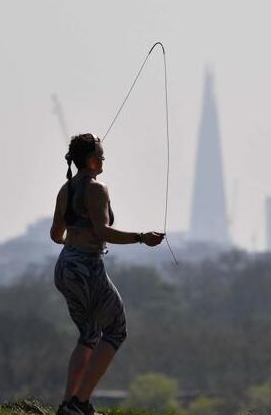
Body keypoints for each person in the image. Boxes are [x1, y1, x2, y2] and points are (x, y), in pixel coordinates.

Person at [51, 133, 164, 415]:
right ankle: (80, 402)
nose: (103, 160)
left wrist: (76, 242)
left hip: (65, 267)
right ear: (90, 160)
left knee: (88, 334)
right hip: (87, 268)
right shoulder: (97, 189)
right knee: (116, 329)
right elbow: (102, 231)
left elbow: (56, 235)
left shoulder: (65, 190)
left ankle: (69, 405)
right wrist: (141, 238)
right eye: (100, 155)